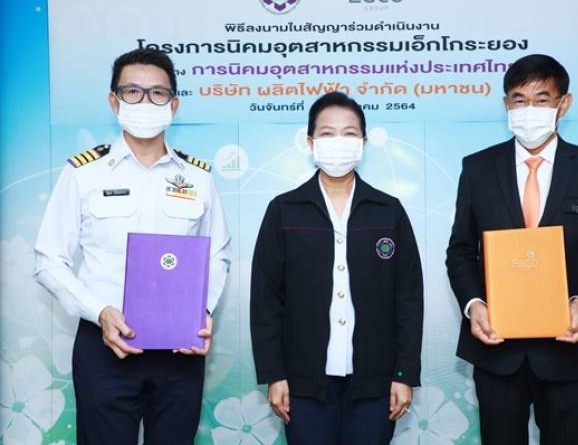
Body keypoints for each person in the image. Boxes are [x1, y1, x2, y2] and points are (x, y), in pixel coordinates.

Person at [34, 48, 231, 444]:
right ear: (114, 101)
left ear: (173, 104)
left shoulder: (198, 177)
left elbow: (217, 254)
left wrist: (202, 310)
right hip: (104, 345)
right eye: (133, 92)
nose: (145, 102)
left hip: (179, 348)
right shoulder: (84, 173)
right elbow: (48, 260)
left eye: (157, 93)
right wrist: (99, 311)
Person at [446, 54, 578, 444]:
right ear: (505, 105)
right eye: (519, 100)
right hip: (496, 350)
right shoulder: (478, 168)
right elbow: (460, 251)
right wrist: (474, 304)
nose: (529, 110)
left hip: (565, 351)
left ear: (563, 104)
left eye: (541, 99)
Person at [250, 92, 424, 445]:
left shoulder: (388, 211)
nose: (338, 142)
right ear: (310, 141)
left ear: (363, 142)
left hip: (376, 383)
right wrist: (274, 374)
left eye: (349, 133)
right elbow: (266, 299)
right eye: (327, 133)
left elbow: (408, 297)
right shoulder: (284, 210)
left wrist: (404, 373)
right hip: (302, 383)